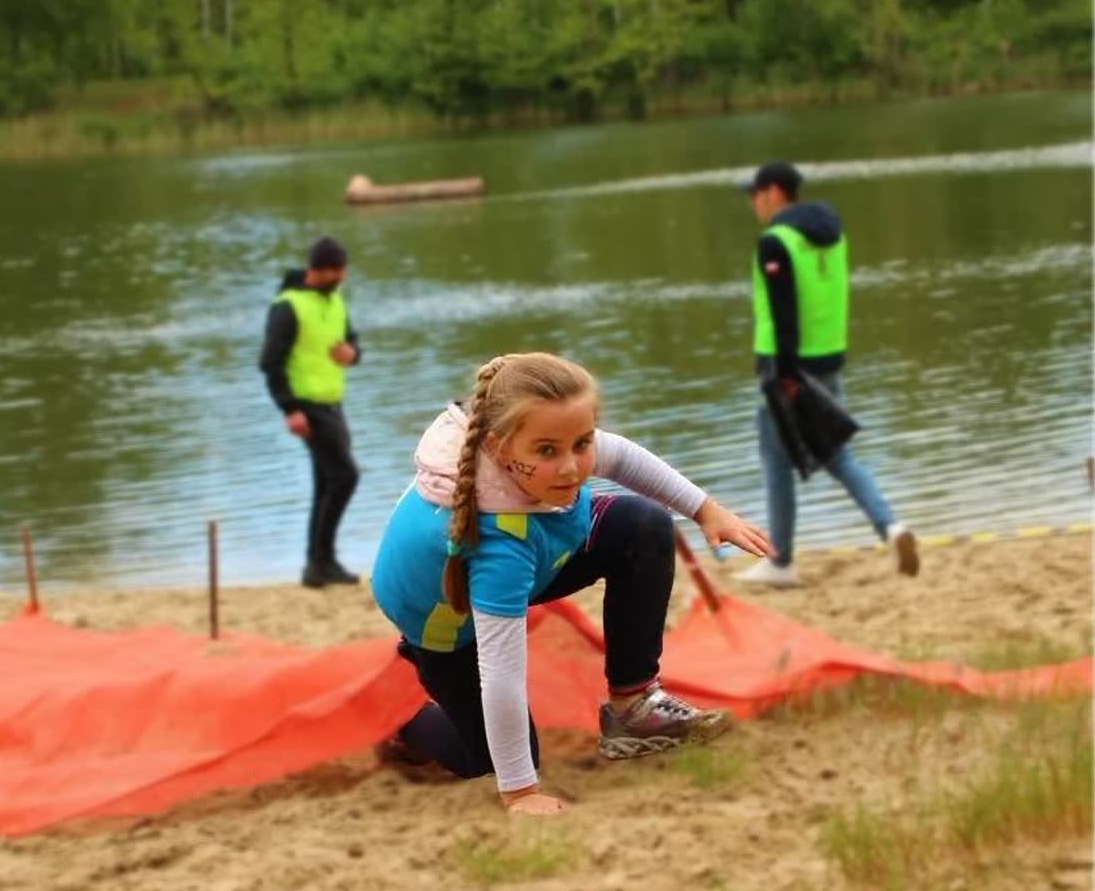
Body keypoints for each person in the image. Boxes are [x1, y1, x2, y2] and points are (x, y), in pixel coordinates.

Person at [371, 352, 773, 815]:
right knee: (490, 760)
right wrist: (520, 793)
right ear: (500, 450)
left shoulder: (539, 441)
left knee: (642, 524)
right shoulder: (497, 546)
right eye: (548, 451)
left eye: (581, 443)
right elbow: (500, 676)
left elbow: (621, 456)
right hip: (449, 626)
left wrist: (706, 510)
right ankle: (404, 724)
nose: (571, 467)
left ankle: (633, 707)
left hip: (532, 557)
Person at [736, 160, 919, 588]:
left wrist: (782, 373)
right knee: (835, 453)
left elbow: (784, 312)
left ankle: (780, 562)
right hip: (830, 358)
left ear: (775, 192)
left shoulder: (776, 241)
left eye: (755, 194)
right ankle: (890, 528)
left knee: (777, 461)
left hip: (787, 366)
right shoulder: (832, 234)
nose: (753, 203)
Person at [259, 236, 361, 588]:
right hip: (307, 407)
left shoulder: (336, 301)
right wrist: (290, 409)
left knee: (326, 482)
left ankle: (319, 564)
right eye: (336, 270)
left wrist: (353, 354)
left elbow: (353, 342)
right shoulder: (287, 306)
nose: (341, 277)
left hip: (334, 403)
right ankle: (320, 561)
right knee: (346, 476)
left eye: (343, 270)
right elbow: (270, 362)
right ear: (317, 270)